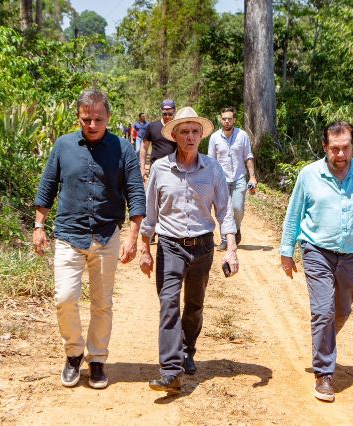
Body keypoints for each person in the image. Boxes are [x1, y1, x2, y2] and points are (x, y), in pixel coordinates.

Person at [33, 89, 146, 390]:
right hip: (69, 234)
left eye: (98, 119)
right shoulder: (64, 145)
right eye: (86, 119)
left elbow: (135, 192)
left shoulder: (123, 149)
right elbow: (47, 186)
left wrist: (132, 237)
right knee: (65, 299)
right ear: (78, 118)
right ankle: (73, 354)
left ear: (108, 117)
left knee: (102, 303)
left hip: (107, 236)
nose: (92, 125)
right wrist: (39, 226)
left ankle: (97, 360)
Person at [279, 121, 353, 402]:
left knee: (342, 310)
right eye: (335, 149)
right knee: (323, 311)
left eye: (345, 148)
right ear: (325, 146)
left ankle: (322, 339)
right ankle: (324, 373)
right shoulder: (309, 174)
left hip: (350, 255)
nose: (340, 154)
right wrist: (287, 251)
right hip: (316, 250)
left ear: (352, 146)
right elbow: (294, 213)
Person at [139, 106, 239, 394]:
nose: (190, 136)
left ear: (201, 136)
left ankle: (187, 350)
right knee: (168, 303)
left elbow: (225, 211)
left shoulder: (213, 169)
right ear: (175, 136)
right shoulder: (160, 168)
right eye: (184, 131)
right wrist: (145, 248)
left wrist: (231, 249)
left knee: (194, 306)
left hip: (203, 246)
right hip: (170, 245)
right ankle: (171, 370)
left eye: (195, 131)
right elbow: (150, 212)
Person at [207, 107, 258, 251]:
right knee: (223, 210)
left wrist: (252, 177)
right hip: (221, 179)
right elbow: (211, 160)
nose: (227, 121)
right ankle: (225, 239)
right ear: (220, 119)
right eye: (224, 119)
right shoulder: (214, 137)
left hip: (239, 177)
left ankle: (236, 228)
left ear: (234, 120)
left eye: (229, 119)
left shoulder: (242, 135)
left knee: (237, 208)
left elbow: (248, 156)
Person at [139, 99, 177, 180]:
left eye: (170, 114)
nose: (167, 117)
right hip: (156, 170)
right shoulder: (152, 126)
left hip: (175, 170)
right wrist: (142, 169)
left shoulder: (178, 127)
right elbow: (144, 147)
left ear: (174, 112)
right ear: (161, 111)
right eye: (164, 114)